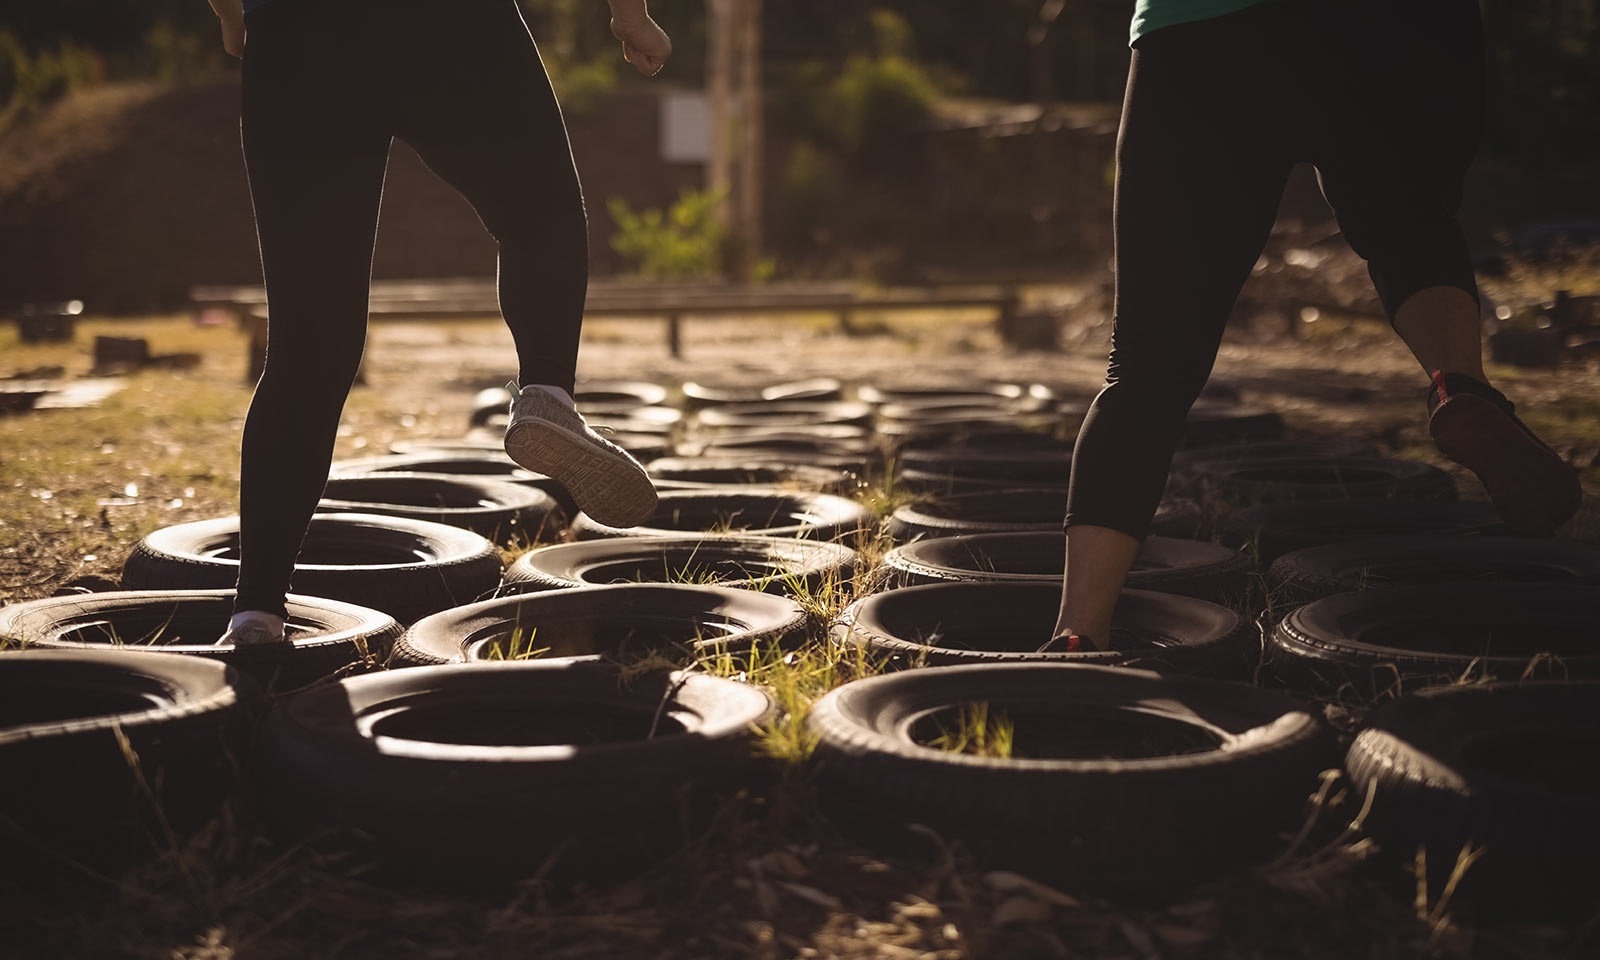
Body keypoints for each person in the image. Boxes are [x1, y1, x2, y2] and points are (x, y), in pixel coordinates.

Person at [1047, 0, 1583, 652]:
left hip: (1205, 32)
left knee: (1149, 362)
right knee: (1410, 230)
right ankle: (1459, 385)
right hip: (1398, 30)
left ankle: (1080, 632)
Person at [205, 0, 672, 645]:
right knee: (541, 215)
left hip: (293, 34)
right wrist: (630, 14)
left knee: (309, 341)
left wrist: (233, 14)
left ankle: (256, 611)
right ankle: (545, 391)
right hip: (447, 24)